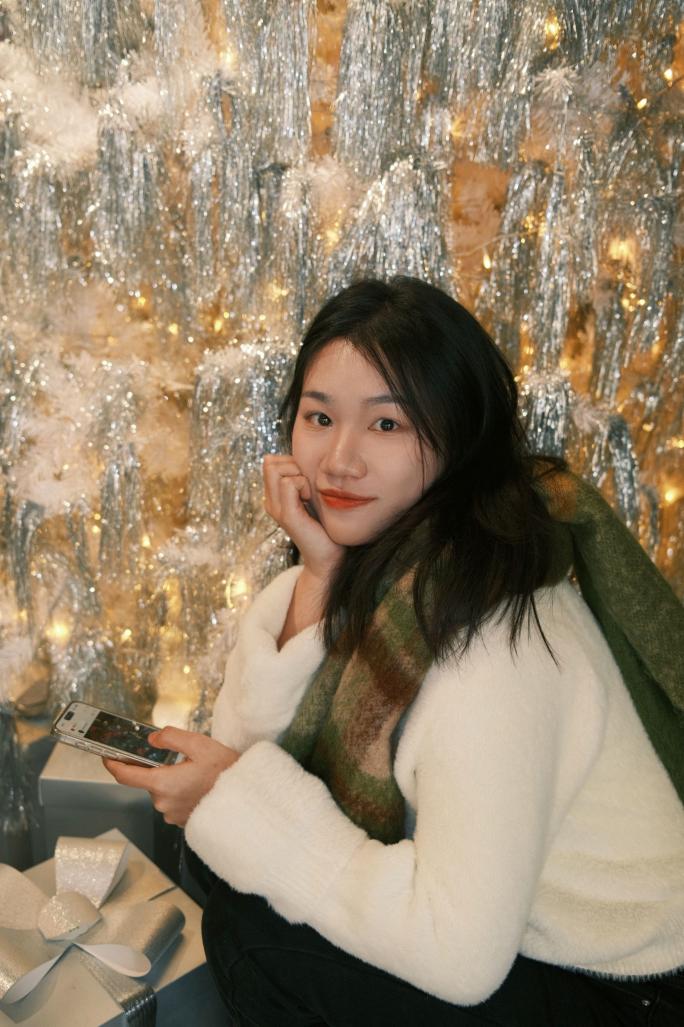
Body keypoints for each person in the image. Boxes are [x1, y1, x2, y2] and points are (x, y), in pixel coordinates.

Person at [105, 277, 684, 1026]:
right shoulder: (386, 571)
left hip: (621, 990)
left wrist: (231, 799)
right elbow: (260, 767)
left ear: (459, 439)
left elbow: (460, 957)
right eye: (319, 417)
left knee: (257, 936)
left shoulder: (495, 636)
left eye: (387, 424)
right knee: (225, 867)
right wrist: (317, 577)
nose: (339, 460)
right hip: (514, 943)